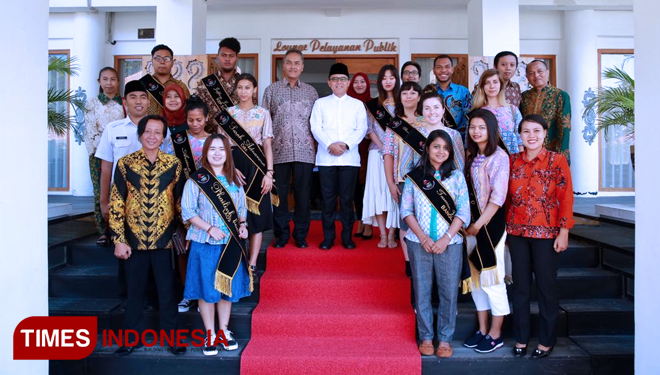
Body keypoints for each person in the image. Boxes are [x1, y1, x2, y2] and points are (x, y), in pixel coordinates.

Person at [109, 115, 186, 356]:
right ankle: (131, 339)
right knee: (134, 294)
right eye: (148, 131)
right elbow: (116, 202)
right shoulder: (125, 164)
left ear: (163, 138)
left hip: (164, 242)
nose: (152, 136)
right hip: (133, 242)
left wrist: (188, 230)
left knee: (167, 293)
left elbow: (181, 203)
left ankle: (173, 339)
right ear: (140, 134)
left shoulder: (173, 164)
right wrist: (119, 239)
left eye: (158, 132)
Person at [506, 114, 574, 359]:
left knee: (546, 287)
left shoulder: (557, 161)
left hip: (547, 234)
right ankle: (521, 337)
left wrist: (564, 231)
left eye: (536, 131)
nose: (531, 136)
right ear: (520, 135)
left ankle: (546, 340)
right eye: (526, 131)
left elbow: (566, 196)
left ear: (545, 133)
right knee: (520, 289)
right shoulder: (512, 161)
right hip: (516, 232)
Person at [401, 129, 470, 358]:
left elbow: (463, 211)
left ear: (450, 152)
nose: (441, 151)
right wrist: (423, 237)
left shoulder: (457, 177)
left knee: (449, 292)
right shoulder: (414, 177)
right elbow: (406, 211)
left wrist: (445, 238)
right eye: (436, 146)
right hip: (418, 242)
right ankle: (427, 337)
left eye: (445, 148)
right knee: (422, 292)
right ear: (427, 148)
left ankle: (445, 339)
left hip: (450, 244)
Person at [181, 134, 250, 355]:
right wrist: (209, 228)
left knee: (225, 289)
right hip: (205, 243)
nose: (217, 153)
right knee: (207, 289)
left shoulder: (235, 181)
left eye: (221, 149)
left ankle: (223, 331)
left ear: (227, 153)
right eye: (212, 149)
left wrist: (243, 225)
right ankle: (209, 333)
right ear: (205, 153)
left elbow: (241, 210)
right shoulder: (196, 180)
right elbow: (188, 211)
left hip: (230, 244)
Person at [462, 109, 510, 353]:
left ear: (491, 129)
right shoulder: (472, 156)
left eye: (481, 127)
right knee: (477, 280)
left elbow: (498, 197)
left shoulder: (499, 157)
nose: (476, 131)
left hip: (489, 226)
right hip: (470, 227)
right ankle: (482, 329)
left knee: (493, 279)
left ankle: (496, 332)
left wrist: (478, 224)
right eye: (473, 127)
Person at [262, 49, 319, 249]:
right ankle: (282, 235)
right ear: (283, 66)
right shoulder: (271, 90)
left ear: (302, 67)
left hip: (305, 151)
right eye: (289, 62)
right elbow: (265, 122)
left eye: (297, 63)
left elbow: (317, 123)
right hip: (279, 152)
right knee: (280, 196)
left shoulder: (311, 92)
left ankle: (301, 235)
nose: (293, 66)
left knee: (304, 195)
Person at [310, 63, 368, 250]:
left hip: (349, 160)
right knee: (327, 201)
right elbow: (315, 127)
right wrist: (330, 145)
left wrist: (346, 145)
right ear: (329, 82)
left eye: (342, 79)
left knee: (346, 200)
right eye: (335, 79)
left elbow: (362, 129)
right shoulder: (320, 103)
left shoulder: (357, 105)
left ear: (348, 82)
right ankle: (328, 238)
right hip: (326, 160)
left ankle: (346, 238)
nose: (339, 82)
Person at [225, 73, 275, 273]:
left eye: (248, 87)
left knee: (255, 217)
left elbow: (267, 145)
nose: (243, 91)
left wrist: (269, 173)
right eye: (240, 87)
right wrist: (230, 168)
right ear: (235, 90)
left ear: (255, 90)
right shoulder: (228, 113)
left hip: (257, 168)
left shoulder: (263, 113)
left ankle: (253, 263)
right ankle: (237, 258)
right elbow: (223, 146)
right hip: (233, 167)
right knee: (234, 213)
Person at [384, 81, 424, 272]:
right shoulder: (394, 124)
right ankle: (409, 262)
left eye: (413, 92)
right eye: (405, 93)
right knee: (405, 222)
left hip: (426, 182)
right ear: (400, 97)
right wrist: (391, 183)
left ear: (419, 96)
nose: (409, 96)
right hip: (402, 181)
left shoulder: (427, 122)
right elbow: (388, 154)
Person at [84, 67, 125, 246]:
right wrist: (98, 153)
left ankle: (118, 227)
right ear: (99, 81)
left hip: (120, 153)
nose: (109, 83)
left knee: (120, 189)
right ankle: (102, 229)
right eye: (105, 79)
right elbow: (89, 130)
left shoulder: (123, 103)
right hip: (98, 153)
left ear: (118, 81)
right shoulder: (91, 103)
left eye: (113, 79)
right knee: (100, 191)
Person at [363, 65, 400, 248]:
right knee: (378, 194)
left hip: (398, 155)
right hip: (376, 152)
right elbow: (369, 130)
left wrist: (391, 149)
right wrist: (382, 146)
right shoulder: (373, 104)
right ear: (379, 81)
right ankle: (383, 235)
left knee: (393, 193)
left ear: (396, 80)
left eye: (391, 77)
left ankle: (392, 234)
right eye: (384, 78)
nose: (388, 81)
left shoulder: (403, 103)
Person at [197, 37, 257, 133]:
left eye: (231, 56)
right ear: (218, 57)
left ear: (237, 58)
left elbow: (253, 111)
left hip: (239, 139)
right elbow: (197, 112)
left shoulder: (246, 82)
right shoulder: (205, 83)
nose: (227, 59)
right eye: (224, 55)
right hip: (212, 140)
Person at [519, 60, 571, 161]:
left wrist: (561, 158)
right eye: (531, 73)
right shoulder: (524, 97)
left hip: (551, 154)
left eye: (540, 71)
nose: (536, 75)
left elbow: (564, 128)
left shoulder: (560, 96)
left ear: (547, 72)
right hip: (528, 153)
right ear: (527, 77)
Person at [347, 72, 373, 241]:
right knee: (355, 188)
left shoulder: (373, 104)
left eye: (362, 81)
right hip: (351, 149)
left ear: (368, 84)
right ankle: (360, 221)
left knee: (367, 187)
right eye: (355, 82)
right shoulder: (347, 103)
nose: (359, 85)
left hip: (368, 149)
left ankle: (369, 223)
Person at [471, 69, 523, 154]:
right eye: (487, 83)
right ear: (482, 86)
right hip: (485, 161)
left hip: (511, 160)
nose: (492, 86)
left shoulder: (512, 110)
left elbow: (520, 140)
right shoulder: (477, 112)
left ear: (501, 85)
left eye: (495, 82)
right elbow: (470, 144)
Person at [419, 92, 465, 171]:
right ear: (422, 111)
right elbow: (405, 168)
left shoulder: (454, 135)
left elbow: (460, 166)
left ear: (443, 110)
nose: (432, 112)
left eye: (436, 107)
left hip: (448, 181)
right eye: (427, 108)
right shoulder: (415, 135)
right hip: (420, 181)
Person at [140, 44, 190, 116]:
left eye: (166, 59)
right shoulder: (142, 85)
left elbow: (187, 110)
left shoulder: (181, 86)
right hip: (147, 126)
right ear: (152, 62)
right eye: (158, 58)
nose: (162, 62)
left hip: (174, 126)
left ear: (172, 62)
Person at [433, 54, 472, 141]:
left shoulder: (463, 91)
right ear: (434, 70)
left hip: (458, 139)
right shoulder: (429, 92)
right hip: (434, 139)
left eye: (447, 67)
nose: (443, 70)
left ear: (452, 70)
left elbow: (468, 119)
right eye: (439, 67)